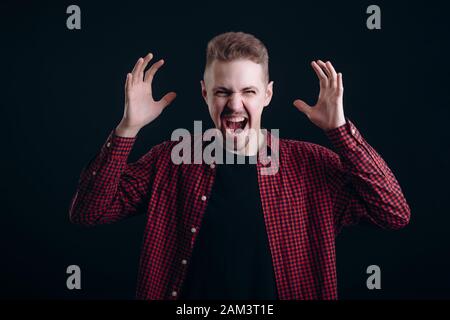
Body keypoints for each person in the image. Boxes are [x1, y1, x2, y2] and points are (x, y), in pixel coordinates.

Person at [69, 31, 411, 300]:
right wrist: (128, 128)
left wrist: (340, 132)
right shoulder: (169, 160)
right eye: (222, 91)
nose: (235, 104)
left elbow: (393, 213)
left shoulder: (310, 163)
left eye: (248, 91)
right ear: (204, 94)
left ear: (268, 94)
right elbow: (89, 213)